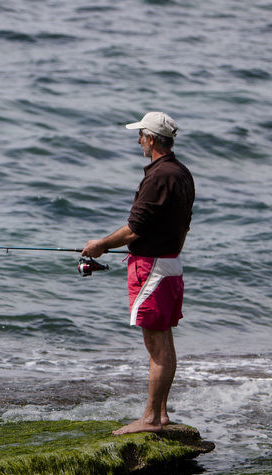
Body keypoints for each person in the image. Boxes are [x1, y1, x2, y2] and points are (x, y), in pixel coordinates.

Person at [83, 111, 195, 435]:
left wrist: (100, 245)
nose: (138, 141)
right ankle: (161, 414)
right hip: (172, 265)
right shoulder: (183, 173)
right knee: (165, 343)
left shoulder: (158, 176)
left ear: (151, 139)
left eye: (141, 136)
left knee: (156, 345)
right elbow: (184, 225)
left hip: (153, 269)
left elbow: (134, 229)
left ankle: (149, 419)